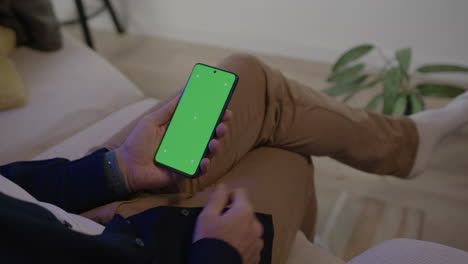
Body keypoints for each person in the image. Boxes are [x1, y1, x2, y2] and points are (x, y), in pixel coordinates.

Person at [1, 54, 467, 264]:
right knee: (289, 155)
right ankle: (403, 146)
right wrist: (218, 252)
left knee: (244, 73)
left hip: (64, 210)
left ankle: (407, 143)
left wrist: (116, 169)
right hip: (142, 246)